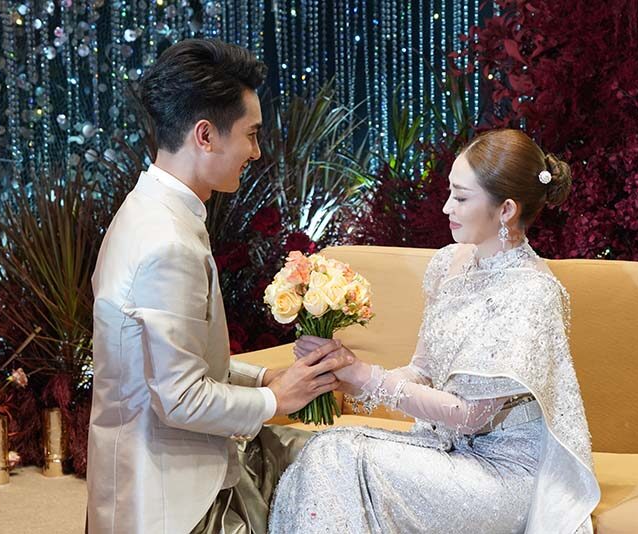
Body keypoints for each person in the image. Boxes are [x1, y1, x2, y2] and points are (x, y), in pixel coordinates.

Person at [269, 128, 601, 534]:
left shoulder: (532, 291)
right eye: (449, 193)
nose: (446, 207)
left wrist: (367, 377)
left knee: (337, 453)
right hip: (446, 448)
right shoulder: (449, 264)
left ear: (506, 210)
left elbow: (471, 414)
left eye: (460, 198)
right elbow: (422, 371)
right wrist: (344, 375)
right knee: (325, 449)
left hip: (501, 473)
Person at [86, 38, 348, 534]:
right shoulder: (168, 243)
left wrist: (263, 379)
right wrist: (276, 401)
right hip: (171, 501)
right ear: (205, 135)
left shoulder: (149, 208)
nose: (256, 151)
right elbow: (180, 399)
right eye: (251, 134)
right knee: (339, 480)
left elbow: (166, 363)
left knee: (335, 461)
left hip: (148, 471)